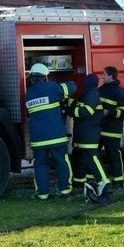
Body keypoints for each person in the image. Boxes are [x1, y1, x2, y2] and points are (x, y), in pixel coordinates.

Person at [25, 64, 77, 200]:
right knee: (61, 162)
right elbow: (72, 88)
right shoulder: (51, 88)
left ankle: (42, 194)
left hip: (38, 139)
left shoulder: (28, 93)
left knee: (40, 165)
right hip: (56, 137)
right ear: (45, 77)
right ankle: (65, 190)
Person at [69, 73, 110, 201]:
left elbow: (88, 111)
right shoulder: (87, 94)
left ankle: (104, 182)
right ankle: (79, 181)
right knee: (79, 158)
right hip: (83, 135)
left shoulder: (92, 94)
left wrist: (72, 111)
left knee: (93, 159)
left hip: (89, 136)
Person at [97, 66, 124, 188]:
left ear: (111, 76)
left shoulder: (119, 92)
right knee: (94, 154)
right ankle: (98, 178)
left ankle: (118, 180)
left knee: (113, 155)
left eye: (104, 74)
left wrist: (109, 112)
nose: (102, 76)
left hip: (113, 130)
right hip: (100, 129)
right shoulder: (101, 89)